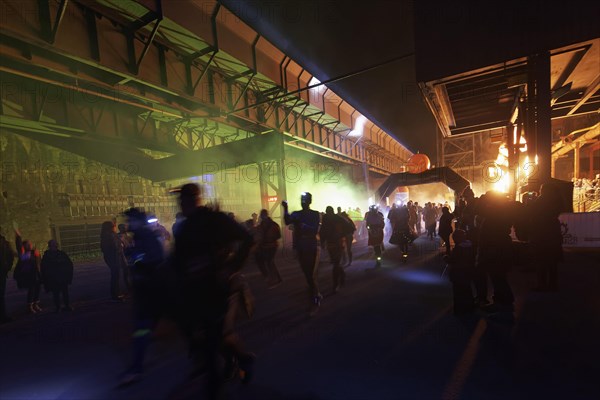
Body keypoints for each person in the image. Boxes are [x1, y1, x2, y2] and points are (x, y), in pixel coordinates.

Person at [173, 183, 254, 397]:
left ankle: (217, 379)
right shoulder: (185, 228)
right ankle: (241, 358)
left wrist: (232, 267)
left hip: (218, 291)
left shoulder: (215, 220)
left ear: (195, 199)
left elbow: (247, 238)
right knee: (207, 337)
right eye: (181, 200)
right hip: (194, 293)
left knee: (214, 341)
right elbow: (177, 260)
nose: (182, 203)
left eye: (186, 199)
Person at [118, 208, 165, 386]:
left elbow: (153, 260)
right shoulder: (140, 237)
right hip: (148, 291)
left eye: (131, 220)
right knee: (145, 328)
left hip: (150, 292)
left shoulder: (146, 237)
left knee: (141, 329)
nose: (128, 224)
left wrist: (135, 259)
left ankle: (136, 369)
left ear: (139, 221)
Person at [283, 192, 322, 316]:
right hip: (301, 248)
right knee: (307, 275)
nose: (303, 202)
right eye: (302, 199)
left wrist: (302, 226)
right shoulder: (296, 214)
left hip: (311, 247)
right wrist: (285, 209)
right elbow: (287, 221)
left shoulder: (315, 214)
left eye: (305, 200)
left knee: (310, 275)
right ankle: (315, 295)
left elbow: (314, 230)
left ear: (310, 201)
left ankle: (314, 300)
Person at [528, 183, 563, 292]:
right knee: (552, 263)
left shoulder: (540, 201)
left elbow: (532, 214)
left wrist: (530, 203)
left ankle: (541, 284)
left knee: (541, 261)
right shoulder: (557, 201)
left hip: (541, 234)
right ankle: (553, 285)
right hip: (553, 233)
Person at [444, 229, 475, 315]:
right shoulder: (470, 246)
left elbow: (453, 260)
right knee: (467, 289)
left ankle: (460, 309)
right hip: (467, 272)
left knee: (458, 292)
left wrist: (446, 258)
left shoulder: (458, 249)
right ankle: (470, 307)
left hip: (457, 274)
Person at [41, 240, 74, 313]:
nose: (55, 245)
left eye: (55, 244)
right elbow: (44, 268)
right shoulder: (47, 256)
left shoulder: (61, 254)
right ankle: (58, 307)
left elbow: (68, 264)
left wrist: (67, 274)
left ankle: (66, 305)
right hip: (54, 278)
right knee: (56, 293)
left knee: (64, 292)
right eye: (53, 244)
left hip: (62, 277)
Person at [13, 231, 42, 313]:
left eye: (30, 243)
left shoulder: (34, 252)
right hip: (29, 275)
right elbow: (19, 246)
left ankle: (36, 304)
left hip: (36, 274)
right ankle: (30, 306)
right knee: (31, 290)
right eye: (28, 244)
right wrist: (18, 236)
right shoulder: (23, 253)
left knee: (37, 289)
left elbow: (39, 263)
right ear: (24, 246)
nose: (30, 245)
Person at [320, 206, 347, 293]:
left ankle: (335, 284)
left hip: (338, 244)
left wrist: (341, 235)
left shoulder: (337, 218)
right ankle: (342, 274)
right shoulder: (326, 219)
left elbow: (350, 227)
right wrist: (322, 242)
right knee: (335, 262)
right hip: (331, 244)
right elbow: (322, 231)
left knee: (335, 263)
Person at [255, 209, 282, 289]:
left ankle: (272, 278)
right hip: (270, 246)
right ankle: (275, 278)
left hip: (269, 246)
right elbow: (279, 236)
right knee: (269, 262)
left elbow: (259, 236)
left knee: (268, 262)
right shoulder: (274, 224)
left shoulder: (262, 226)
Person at [100, 220, 125, 302]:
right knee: (115, 275)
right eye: (113, 226)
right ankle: (115, 294)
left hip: (114, 256)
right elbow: (112, 247)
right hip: (113, 257)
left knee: (116, 275)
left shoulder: (110, 235)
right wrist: (119, 247)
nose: (115, 227)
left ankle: (116, 293)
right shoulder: (108, 236)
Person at [1, 230, 16, 323]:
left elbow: (11, 255)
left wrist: (6, 267)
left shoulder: (5, 244)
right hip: (2, 271)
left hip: (1, 271)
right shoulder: (5, 244)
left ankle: (2, 316)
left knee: (1, 296)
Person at [117, 223, 132, 292]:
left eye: (125, 227)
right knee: (126, 271)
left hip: (130, 254)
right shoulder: (119, 236)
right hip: (125, 255)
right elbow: (121, 248)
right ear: (120, 228)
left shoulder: (128, 235)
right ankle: (128, 287)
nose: (125, 228)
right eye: (123, 227)